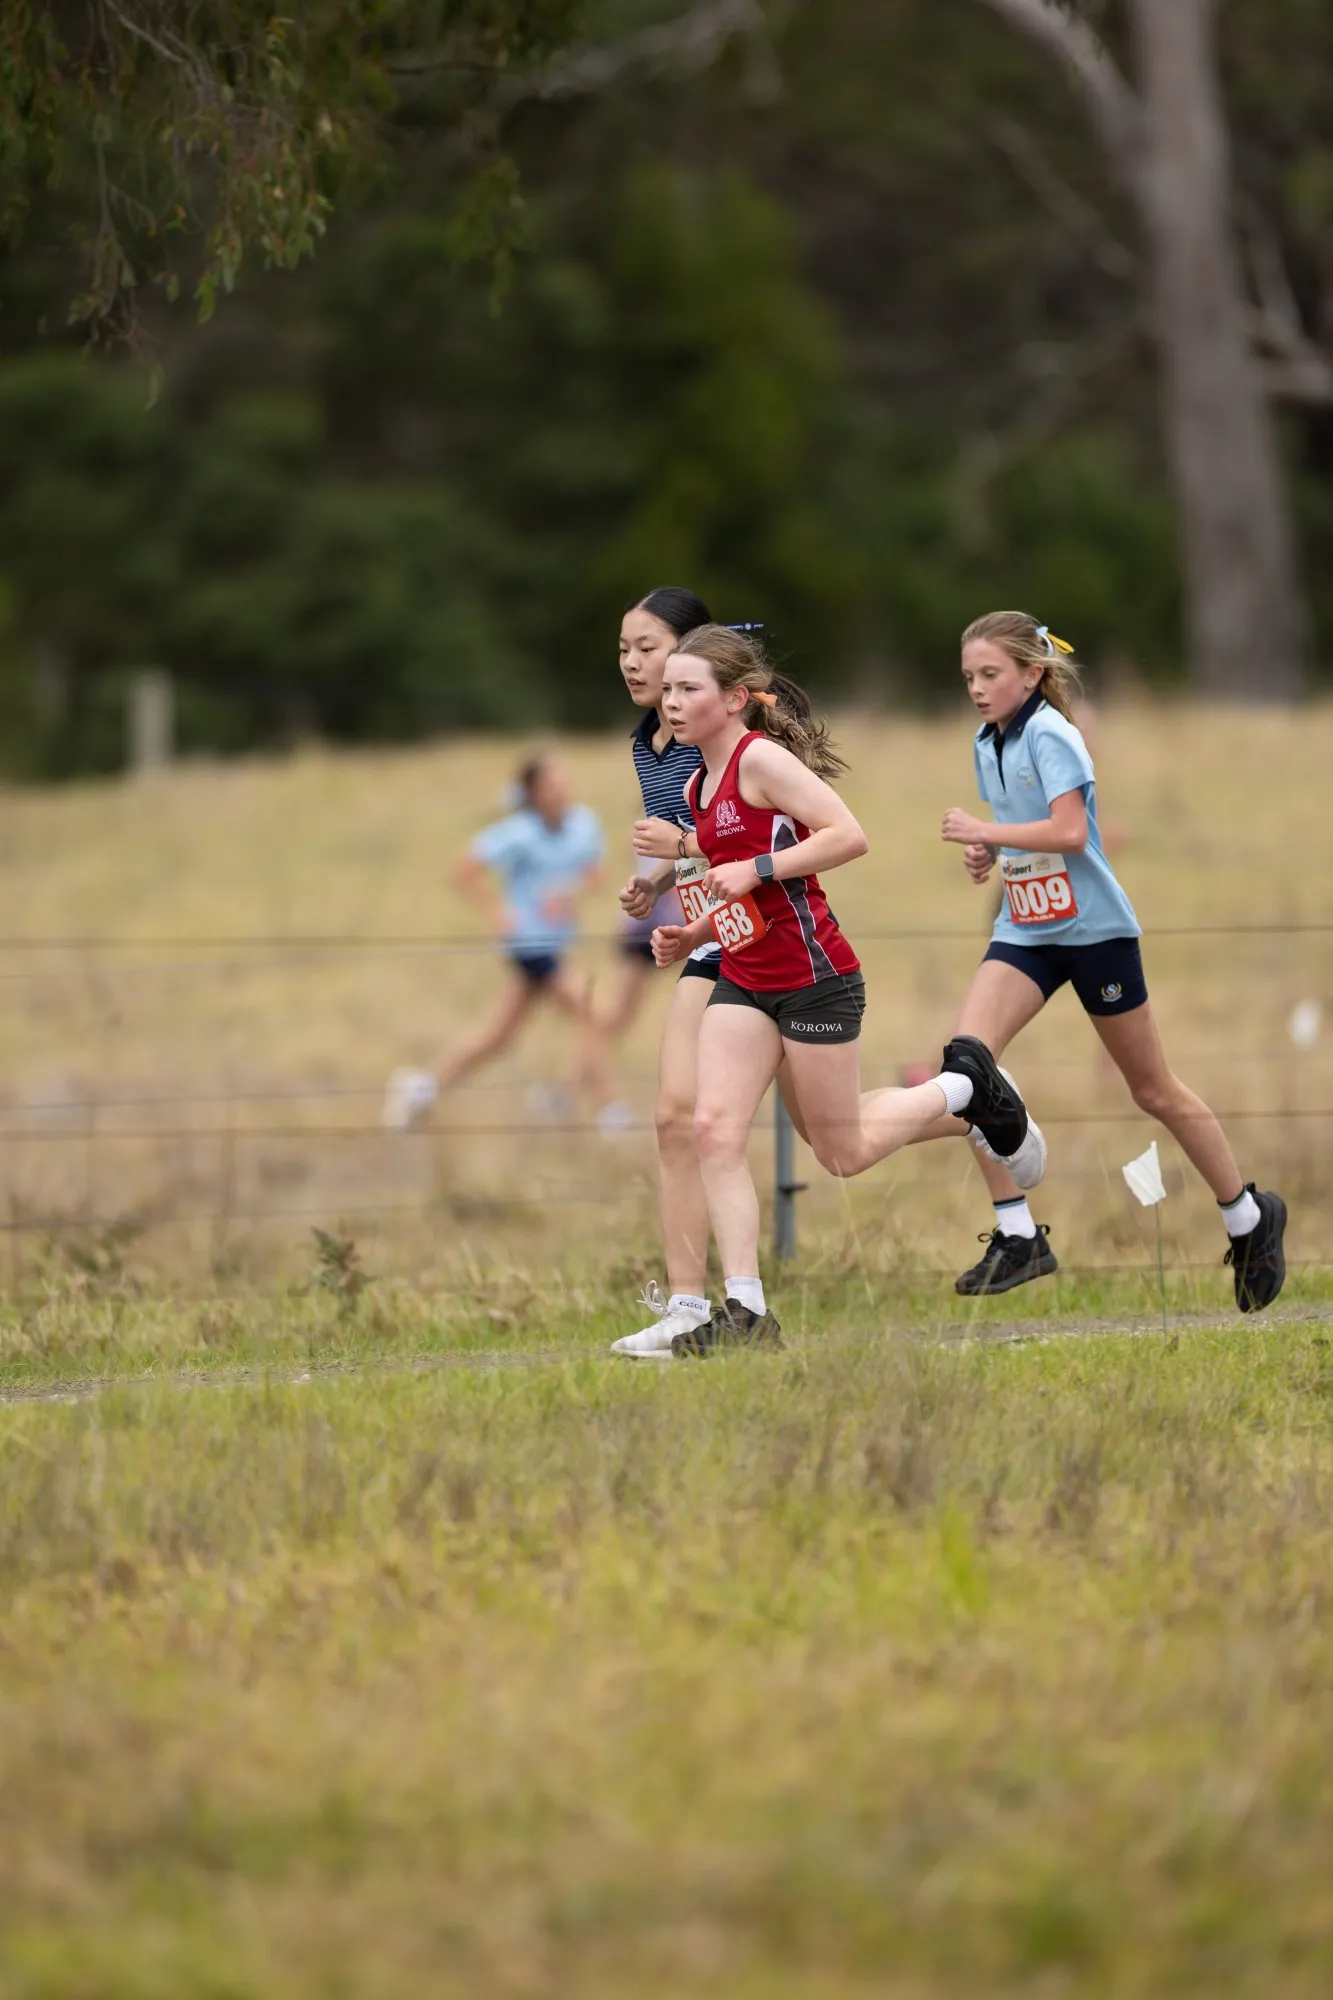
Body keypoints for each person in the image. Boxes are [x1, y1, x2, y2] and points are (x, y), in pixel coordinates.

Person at [647, 623, 1048, 1358]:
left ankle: (966, 1091)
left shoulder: (757, 759)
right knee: (712, 1129)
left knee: (841, 1152)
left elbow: (847, 835)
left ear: (734, 699)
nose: (669, 702)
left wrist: (759, 872)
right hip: (743, 978)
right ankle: (745, 1313)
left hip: (814, 981)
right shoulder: (698, 785)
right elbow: (739, 892)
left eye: (686, 689)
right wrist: (692, 934)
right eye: (667, 690)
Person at [939, 608, 1287, 1310]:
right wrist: (990, 851)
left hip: (1093, 933)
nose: (976, 688)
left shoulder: (1052, 733)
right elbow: (1026, 833)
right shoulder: (989, 740)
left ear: (1031, 673)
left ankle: (1247, 1217)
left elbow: (1069, 831)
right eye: (968, 676)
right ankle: (1017, 1234)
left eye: (990, 674)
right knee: (965, 1066)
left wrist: (986, 828)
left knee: (1152, 1090)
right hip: (1026, 931)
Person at [603, 587, 733, 1355]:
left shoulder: (718, 733)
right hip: (711, 941)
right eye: (622, 649)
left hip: (769, 940)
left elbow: (742, 837)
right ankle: (689, 1307)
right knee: (673, 1119)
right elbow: (684, 840)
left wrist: (678, 854)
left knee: (835, 1141)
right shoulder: (645, 743)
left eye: (646, 647)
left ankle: (965, 1100)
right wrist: (652, 885)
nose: (630, 662)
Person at [382, 755, 606, 1128]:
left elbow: (596, 876)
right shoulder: (518, 832)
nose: (563, 791)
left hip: (554, 942)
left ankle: (422, 1088)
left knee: (499, 1036)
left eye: (565, 783)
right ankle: (588, 1104)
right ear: (534, 793)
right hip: (529, 945)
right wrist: (499, 912)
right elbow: (464, 871)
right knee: (594, 1015)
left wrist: (570, 894)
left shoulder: (584, 824)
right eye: (553, 786)